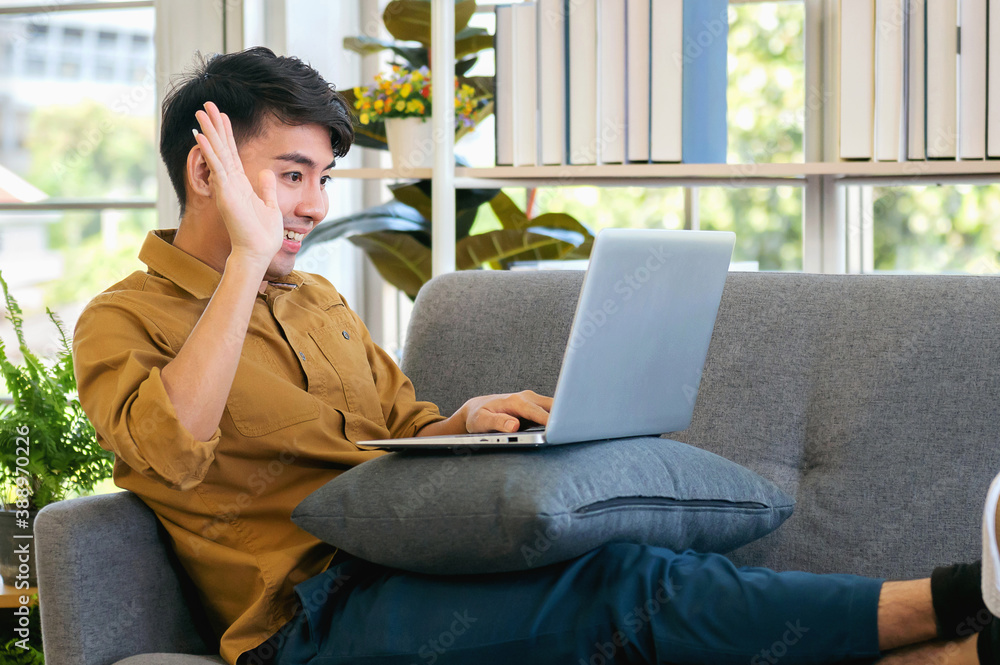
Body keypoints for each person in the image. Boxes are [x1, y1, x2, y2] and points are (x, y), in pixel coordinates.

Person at [71, 46, 993, 665]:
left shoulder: (314, 300)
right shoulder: (122, 321)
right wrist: (240, 257)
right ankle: (949, 601)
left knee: (624, 552)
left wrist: (467, 422)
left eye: (322, 178)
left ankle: (946, 640)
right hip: (307, 619)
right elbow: (176, 446)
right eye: (290, 176)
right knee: (622, 591)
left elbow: (402, 431)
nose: (313, 205)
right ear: (209, 172)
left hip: (421, 558)